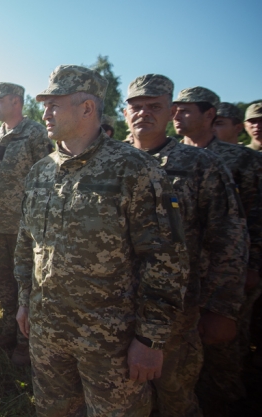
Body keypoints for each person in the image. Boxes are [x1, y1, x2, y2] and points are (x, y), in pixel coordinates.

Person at [14, 65, 187, 416]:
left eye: (54, 105)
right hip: (48, 330)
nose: (44, 113)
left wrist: (150, 339)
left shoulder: (135, 169)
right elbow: (26, 242)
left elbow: (165, 259)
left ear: (87, 108)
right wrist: (24, 300)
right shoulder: (41, 171)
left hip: (111, 341)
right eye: (44, 104)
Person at [124, 74, 247, 416]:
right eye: (135, 107)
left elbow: (229, 235)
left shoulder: (201, 165)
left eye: (154, 107)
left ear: (170, 112)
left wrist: (221, 306)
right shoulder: (110, 163)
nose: (143, 114)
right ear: (124, 113)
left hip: (179, 311)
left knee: (174, 395)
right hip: (116, 308)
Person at [172, 87, 262, 414]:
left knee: (222, 348)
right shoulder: (164, 155)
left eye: (186, 110)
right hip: (176, 279)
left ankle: (227, 401)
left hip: (221, 272)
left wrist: (252, 267)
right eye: (175, 109)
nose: (177, 116)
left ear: (209, 114)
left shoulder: (242, 159)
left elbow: (250, 220)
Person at [0, 82, 52, 366]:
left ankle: (26, 343)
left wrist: (37, 220)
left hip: (25, 227)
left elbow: (47, 176)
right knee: (4, 282)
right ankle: (8, 331)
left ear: (15, 101)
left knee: (27, 284)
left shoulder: (35, 133)